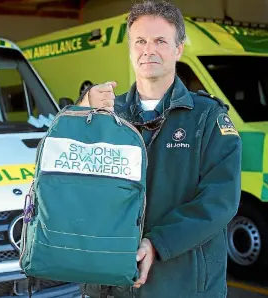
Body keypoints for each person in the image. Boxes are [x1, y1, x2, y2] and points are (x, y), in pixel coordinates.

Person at [76, 1, 242, 297]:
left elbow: (219, 202)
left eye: (160, 41)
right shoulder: (105, 114)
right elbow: (73, 179)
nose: (148, 50)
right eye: (140, 41)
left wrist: (157, 243)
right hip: (112, 286)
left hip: (182, 285)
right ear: (130, 48)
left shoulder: (207, 118)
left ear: (178, 49)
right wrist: (80, 112)